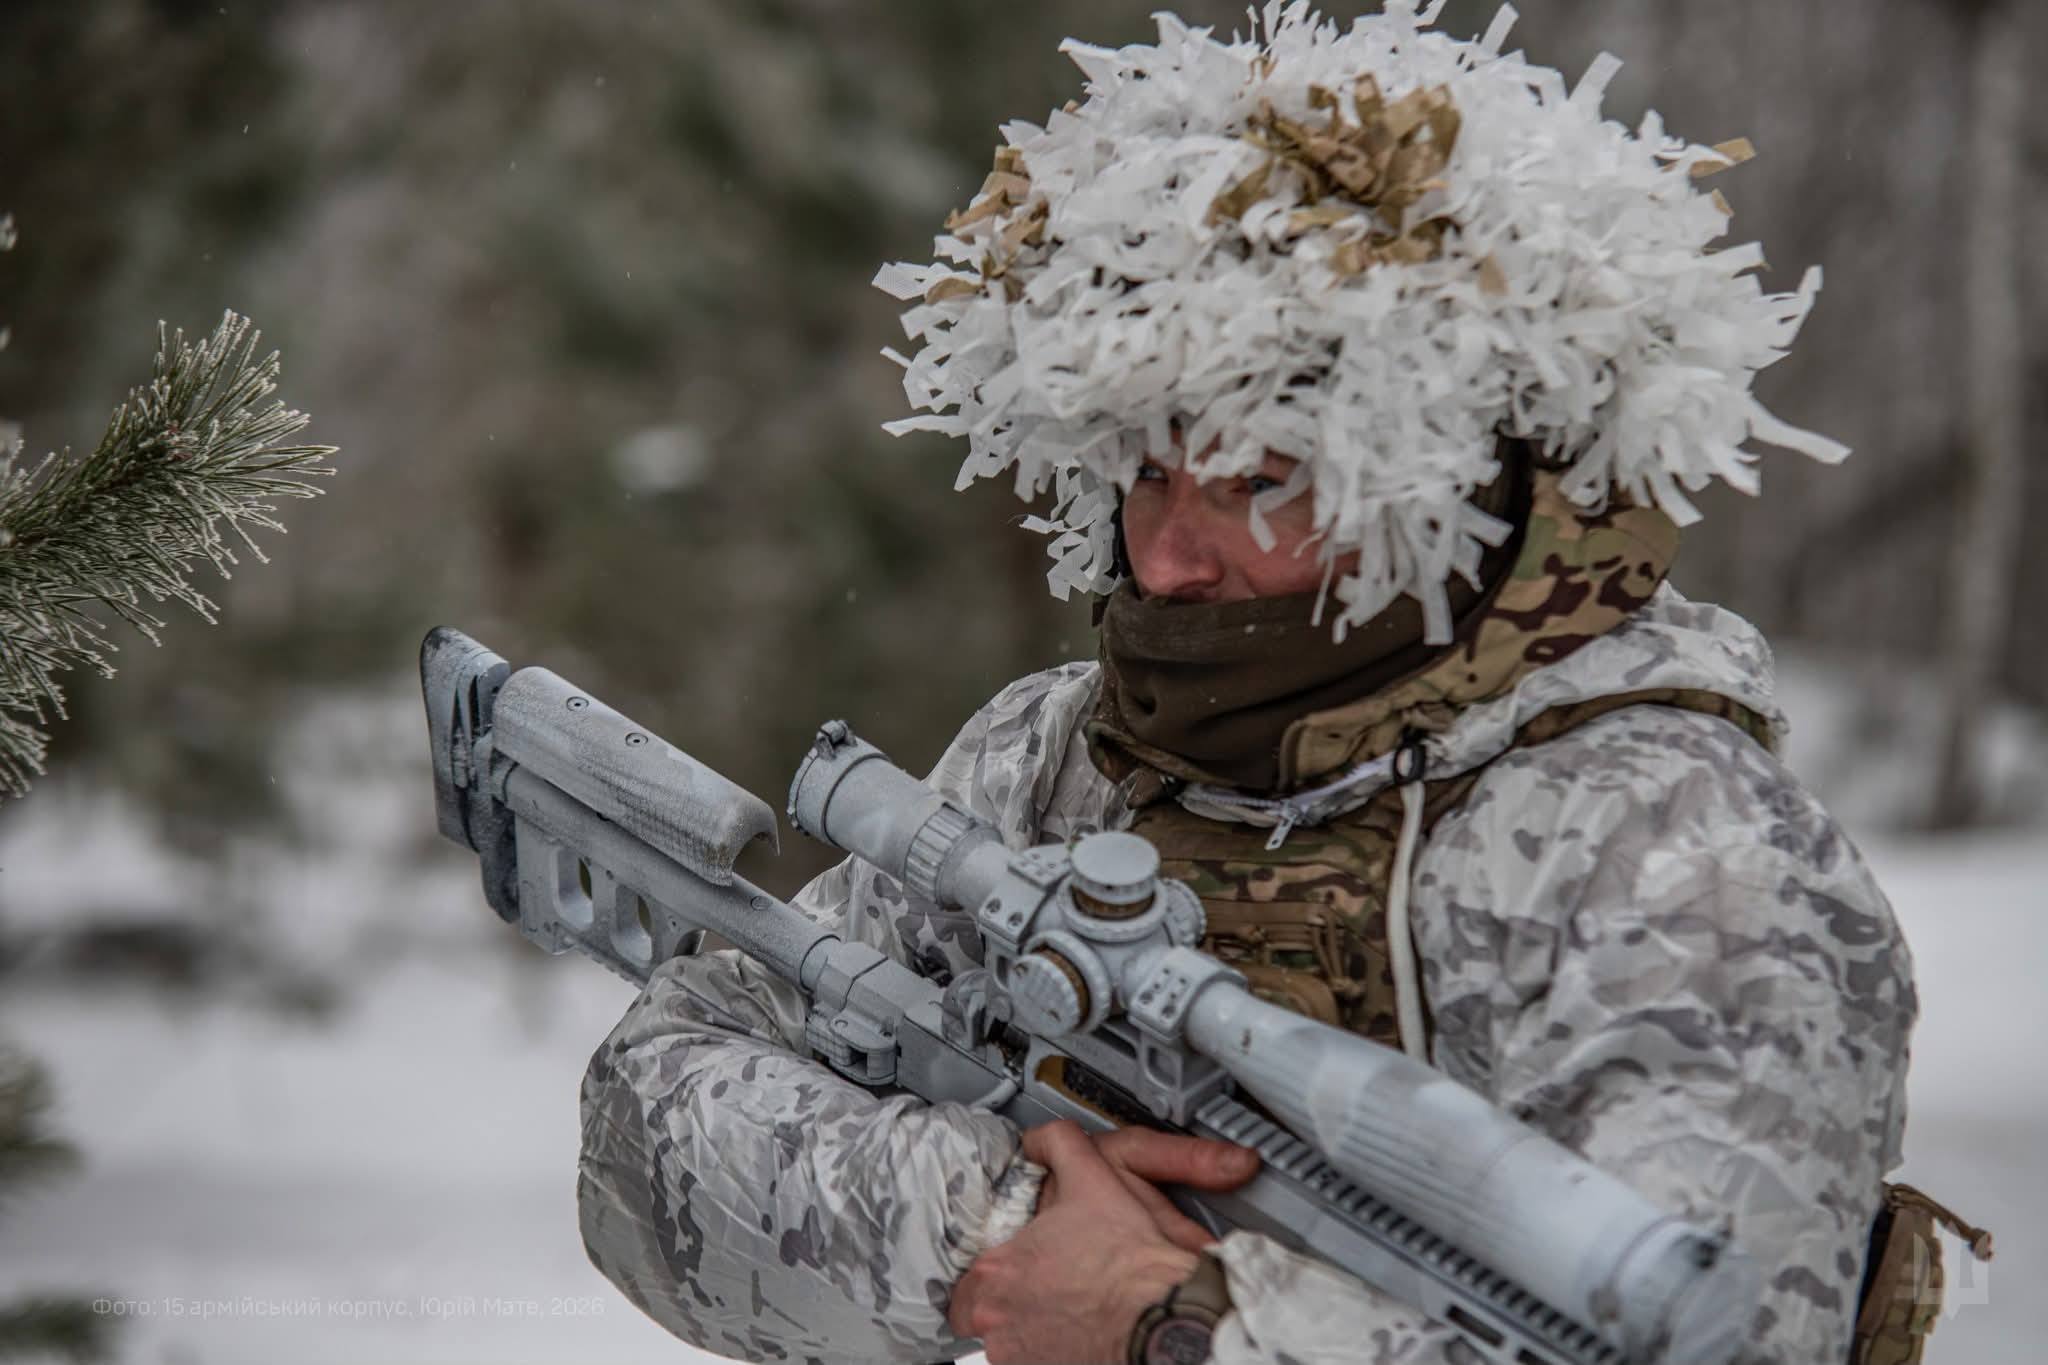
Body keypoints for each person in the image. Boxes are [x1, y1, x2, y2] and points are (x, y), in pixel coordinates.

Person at [575, 5, 1985, 1363]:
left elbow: (1720, 1330)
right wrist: (989, 1229)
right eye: (1142, 471)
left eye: (1260, 477)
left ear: (1460, 480)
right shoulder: (1056, 758)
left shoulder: (1687, 856)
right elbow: (658, 1115)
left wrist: (1173, 1329)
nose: (1171, 556)